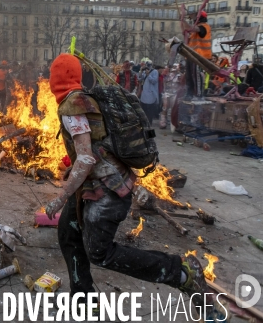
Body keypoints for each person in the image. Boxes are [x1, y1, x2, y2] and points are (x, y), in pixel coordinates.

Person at [45, 52, 209, 315]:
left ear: (57, 77)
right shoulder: (85, 97)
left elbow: (86, 157)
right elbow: (95, 145)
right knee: (69, 233)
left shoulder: (72, 106)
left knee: (100, 253)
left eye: (52, 74)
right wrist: (71, 166)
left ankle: (180, 272)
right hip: (97, 185)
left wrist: (61, 195)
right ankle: (83, 300)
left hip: (106, 191)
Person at [182, 11, 212, 99]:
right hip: (191, 55)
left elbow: (191, 28)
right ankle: (189, 93)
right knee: (189, 76)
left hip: (200, 56)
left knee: (196, 76)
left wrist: (183, 20)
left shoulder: (204, 27)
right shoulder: (195, 31)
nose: (192, 19)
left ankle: (198, 95)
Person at [138, 60, 159, 125]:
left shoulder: (155, 71)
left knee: (150, 110)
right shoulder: (145, 71)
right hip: (144, 93)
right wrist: (141, 71)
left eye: (149, 65)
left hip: (151, 93)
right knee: (143, 109)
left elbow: (154, 81)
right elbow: (140, 79)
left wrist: (148, 75)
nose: (148, 67)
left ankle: (149, 122)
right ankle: (144, 122)